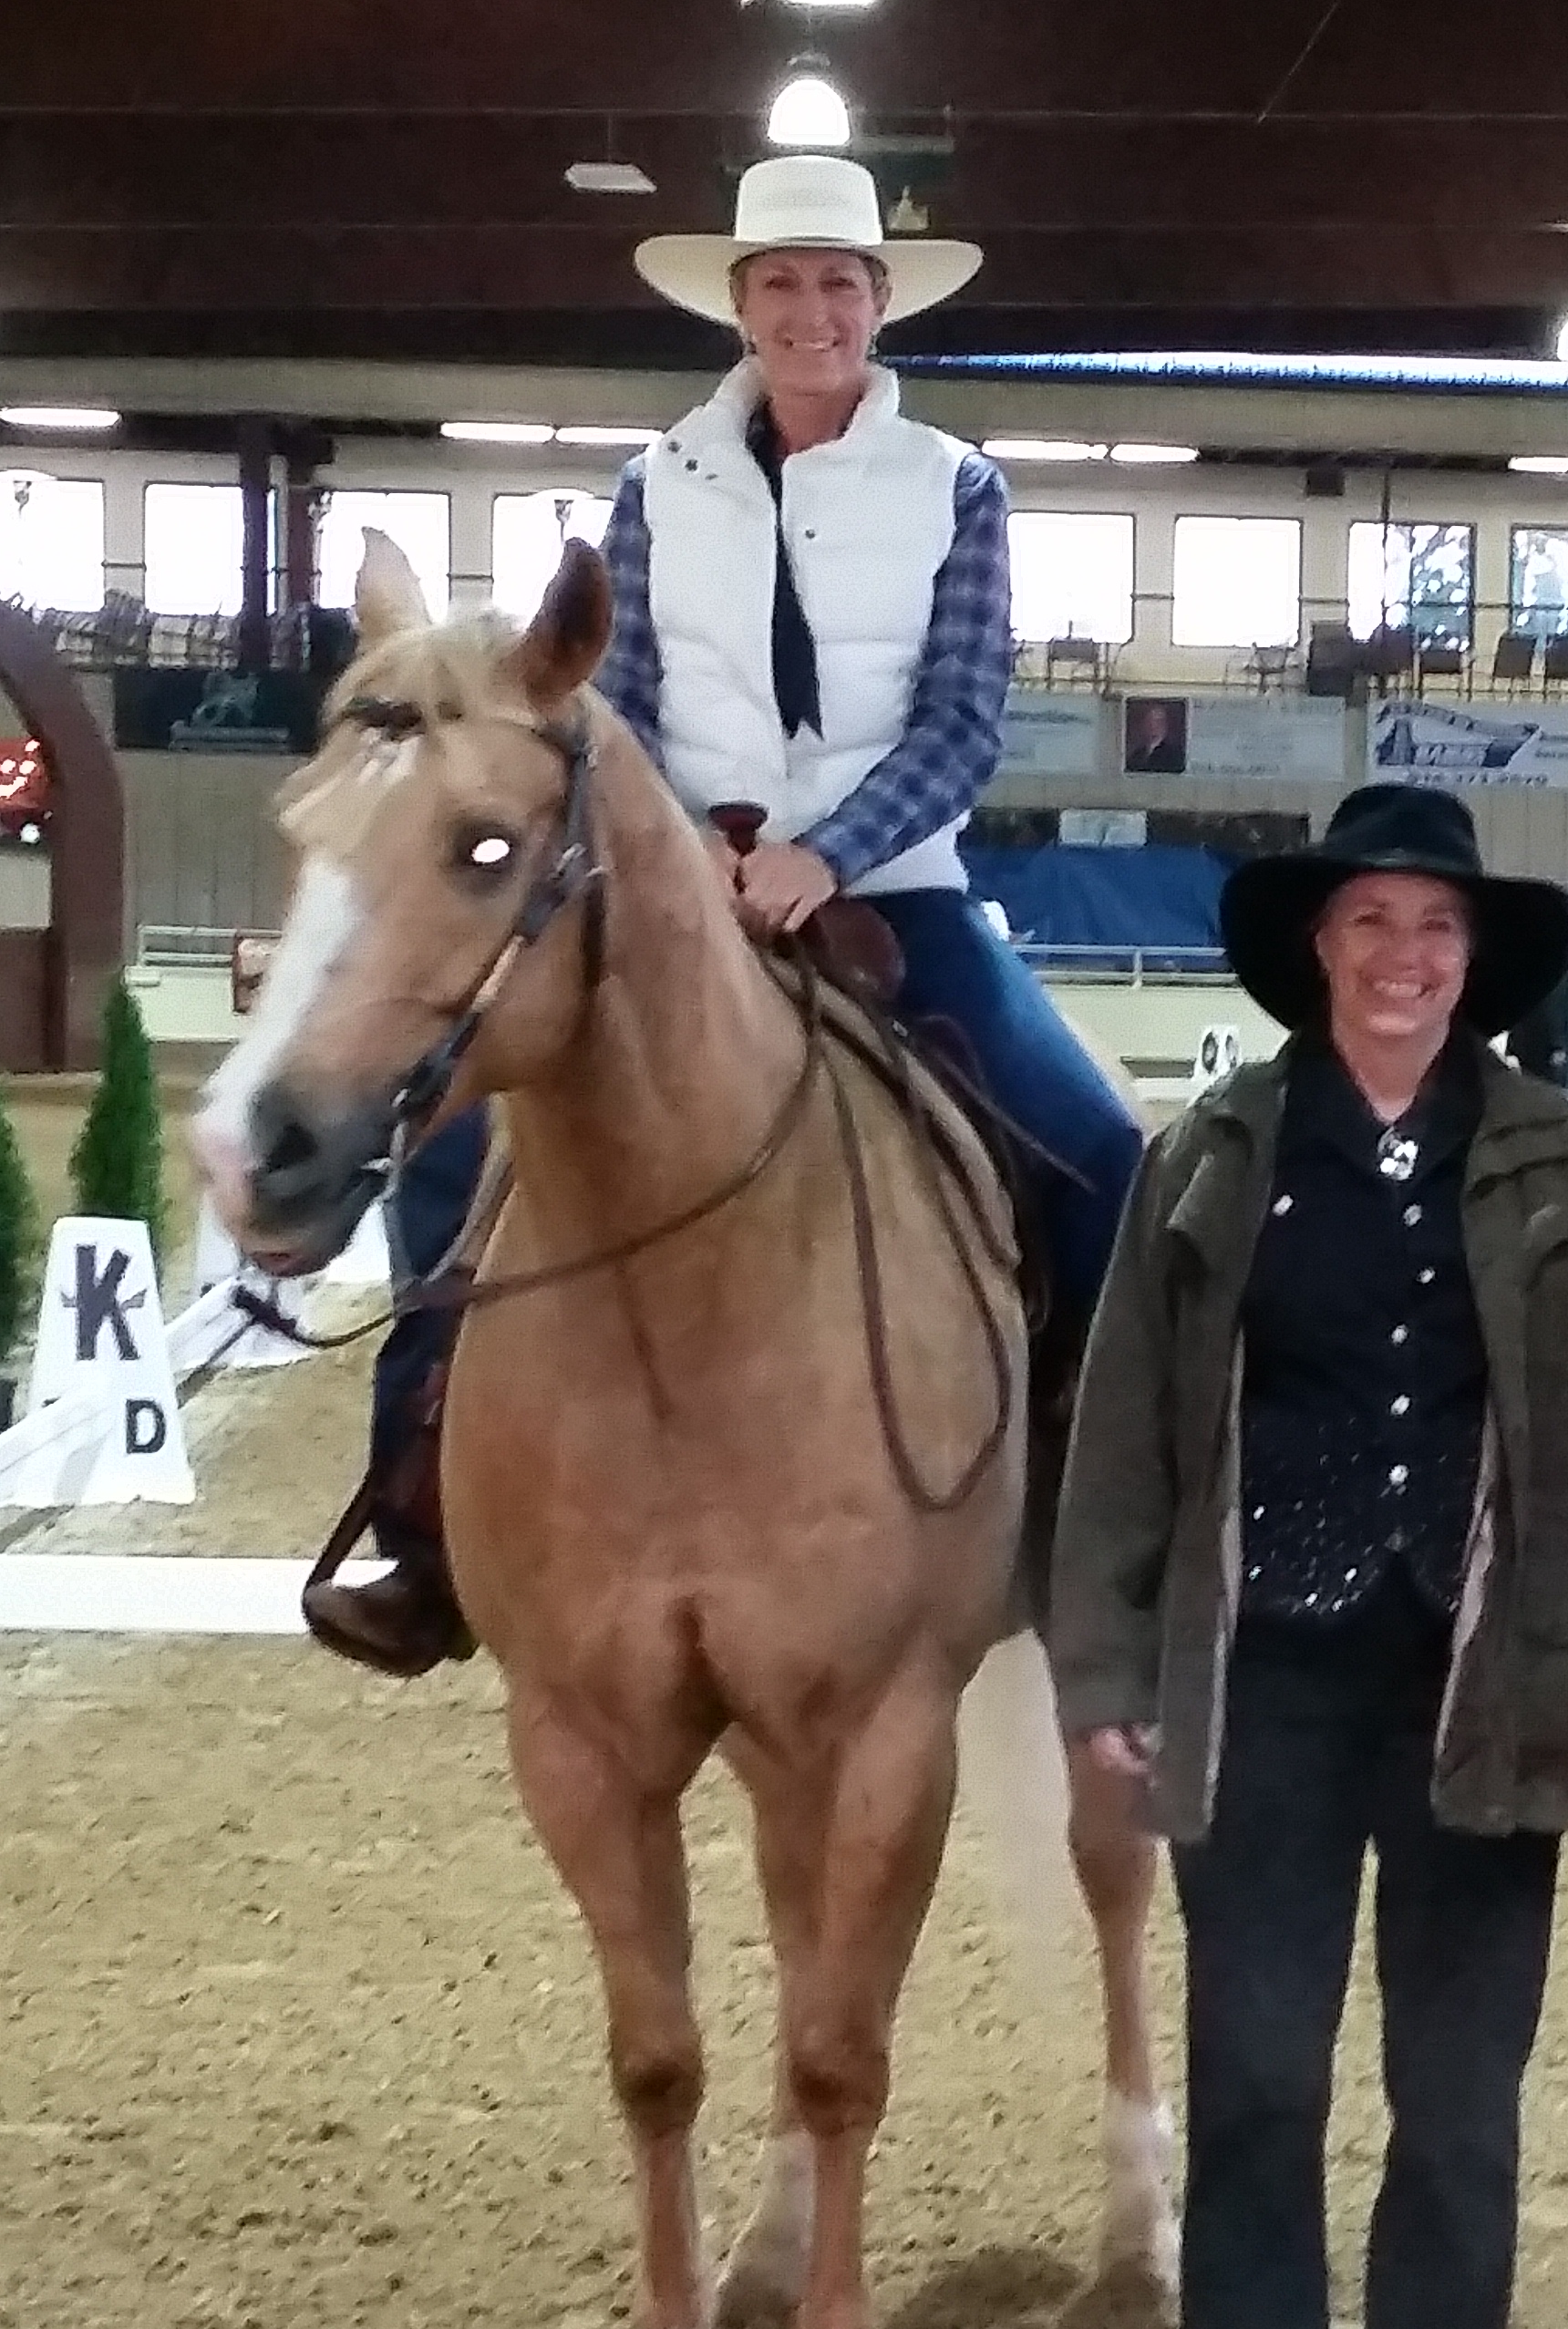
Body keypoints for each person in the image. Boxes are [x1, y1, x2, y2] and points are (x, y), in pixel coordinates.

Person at [304, 153, 1146, 1675]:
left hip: (897, 891)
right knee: (451, 1136)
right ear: (740, 303)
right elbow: (608, 706)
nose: (809, 308)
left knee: (1101, 1156)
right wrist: (691, 857)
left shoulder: (956, 484)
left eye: (838, 282)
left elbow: (962, 719)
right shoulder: (653, 485)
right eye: (780, 282)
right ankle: (415, 1517)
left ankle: (1096, 1524)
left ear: (878, 304)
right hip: (672, 895)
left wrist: (826, 852)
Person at [1047, 783, 1568, 2329]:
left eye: (1437, 931)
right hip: (1259, 1686)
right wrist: (1107, 1661)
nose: (1404, 959)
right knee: (1258, 2075)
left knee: (1459, 2091)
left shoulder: (1564, 1155)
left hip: (1486, 1681)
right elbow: (1122, 1441)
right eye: (1370, 926)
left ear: (1471, 965)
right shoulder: (1213, 1153)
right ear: (1316, 953)